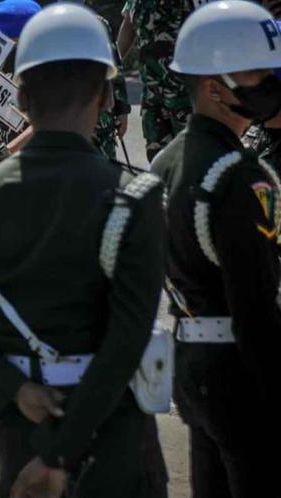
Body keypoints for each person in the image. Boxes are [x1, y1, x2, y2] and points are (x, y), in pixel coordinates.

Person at [0, 4, 166, 498]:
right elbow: (127, 342)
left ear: (21, 97)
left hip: (22, 432)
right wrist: (62, 453)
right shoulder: (135, 198)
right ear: (107, 95)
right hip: (115, 438)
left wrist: (11, 393)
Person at [150, 2, 281, 496]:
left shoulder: (167, 160)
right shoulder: (238, 175)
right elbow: (256, 309)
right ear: (213, 87)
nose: (270, 82)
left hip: (192, 362)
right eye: (258, 73)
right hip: (239, 370)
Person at [0, 0, 130, 172]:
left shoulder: (51, 65)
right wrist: (0, 143)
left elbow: (50, 120)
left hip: (84, 143)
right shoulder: (17, 59)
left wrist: (6, 150)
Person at [118, 0, 192, 161]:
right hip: (152, 95)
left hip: (186, 95)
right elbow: (128, 24)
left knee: (192, 156)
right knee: (157, 157)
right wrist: (113, 64)